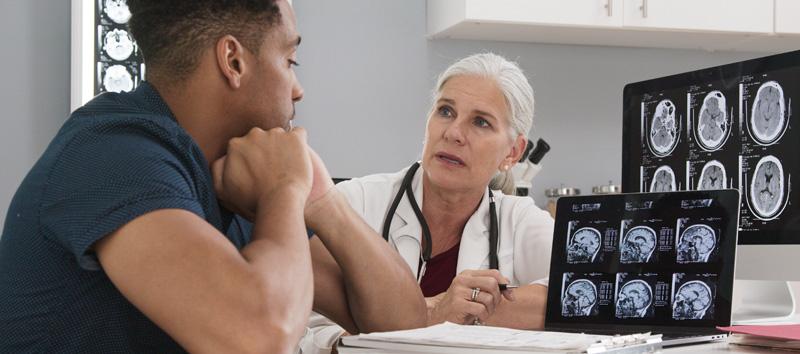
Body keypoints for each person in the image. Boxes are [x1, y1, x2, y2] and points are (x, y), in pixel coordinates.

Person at [0, 1, 426, 352]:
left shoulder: (229, 176)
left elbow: (404, 326)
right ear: (233, 60)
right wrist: (285, 189)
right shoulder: (113, 153)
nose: (298, 89)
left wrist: (322, 201)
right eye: (290, 60)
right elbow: (259, 338)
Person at [299, 53, 554, 353]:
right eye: (445, 111)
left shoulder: (518, 220)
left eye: (481, 122)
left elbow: (589, 297)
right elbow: (309, 330)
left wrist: (470, 310)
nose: (453, 133)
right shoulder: (354, 203)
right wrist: (431, 315)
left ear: (513, 152)